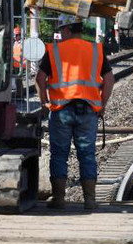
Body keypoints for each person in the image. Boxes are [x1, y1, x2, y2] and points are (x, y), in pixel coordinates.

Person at [36, 15, 115, 210]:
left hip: (62, 110)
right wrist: (102, 104)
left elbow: (40, 78)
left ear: (67, 30)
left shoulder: (54, 50)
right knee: (87, 154)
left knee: (59, 154)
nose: (60, 34)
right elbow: (109, 80)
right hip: (88, 110)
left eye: (61, 30)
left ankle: (59, 199)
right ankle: (90, 200)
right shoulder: (95, 49)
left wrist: (45, 102)